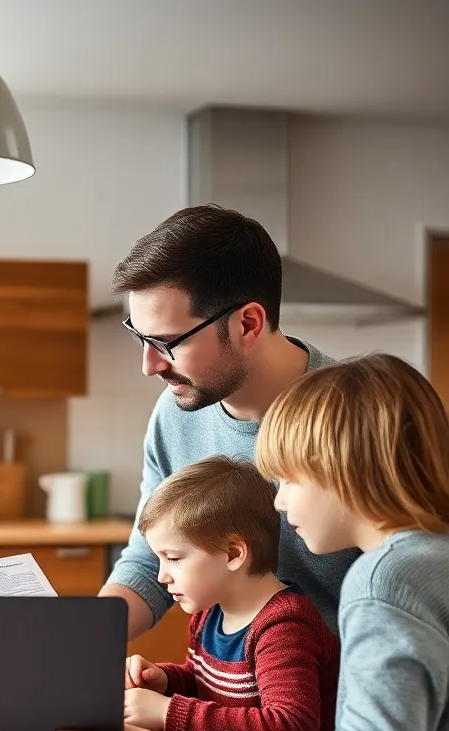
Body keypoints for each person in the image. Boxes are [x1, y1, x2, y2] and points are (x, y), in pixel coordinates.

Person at [45, 354, 449, 731]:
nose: (279, 505)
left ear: (346, 468)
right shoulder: (428, 560)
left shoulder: (385, 581)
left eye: (289, 480)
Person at [99, 205, 358, 638]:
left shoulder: (356, 421)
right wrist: (78, 637)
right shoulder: (174, 415)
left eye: (166, 343)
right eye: (139, 337)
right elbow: (149, 560)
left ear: (248, 323)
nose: (148, 366)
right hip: (230, 696)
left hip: (335, 701)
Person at [124, 456, 339, 731]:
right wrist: (165, 680)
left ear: (233, 554)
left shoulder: (284, 627)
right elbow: (204, 685)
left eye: (173, 558)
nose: (162, 576)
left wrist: (166, 711)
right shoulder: (210, 611)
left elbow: (291, 728)